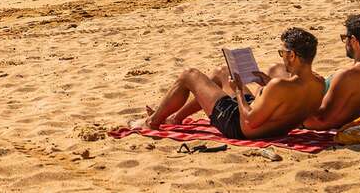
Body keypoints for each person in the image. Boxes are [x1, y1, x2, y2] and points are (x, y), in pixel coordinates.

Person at [162, 15, 360, 131]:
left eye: (345, 39)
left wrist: (286, 98)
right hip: (345, 118)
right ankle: (176, 116)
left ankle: (166, 117)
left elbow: (319, 116)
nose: (345, 43)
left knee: (214, 77)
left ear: (354, 41)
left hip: (307, 123)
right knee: (274, 71)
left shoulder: (347, 75)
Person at [135, 28, 325, 140]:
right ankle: (176, 118)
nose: (282, 57)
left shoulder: (279, 86)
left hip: (239, 127)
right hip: (273, 127)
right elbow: (289, 104)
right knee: (222, 71)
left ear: (292, 55)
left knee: (188, 75)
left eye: (282, 53)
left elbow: (249, 120)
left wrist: (239, 91)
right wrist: (266, 85)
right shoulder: (318, 84)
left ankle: (151, 122)